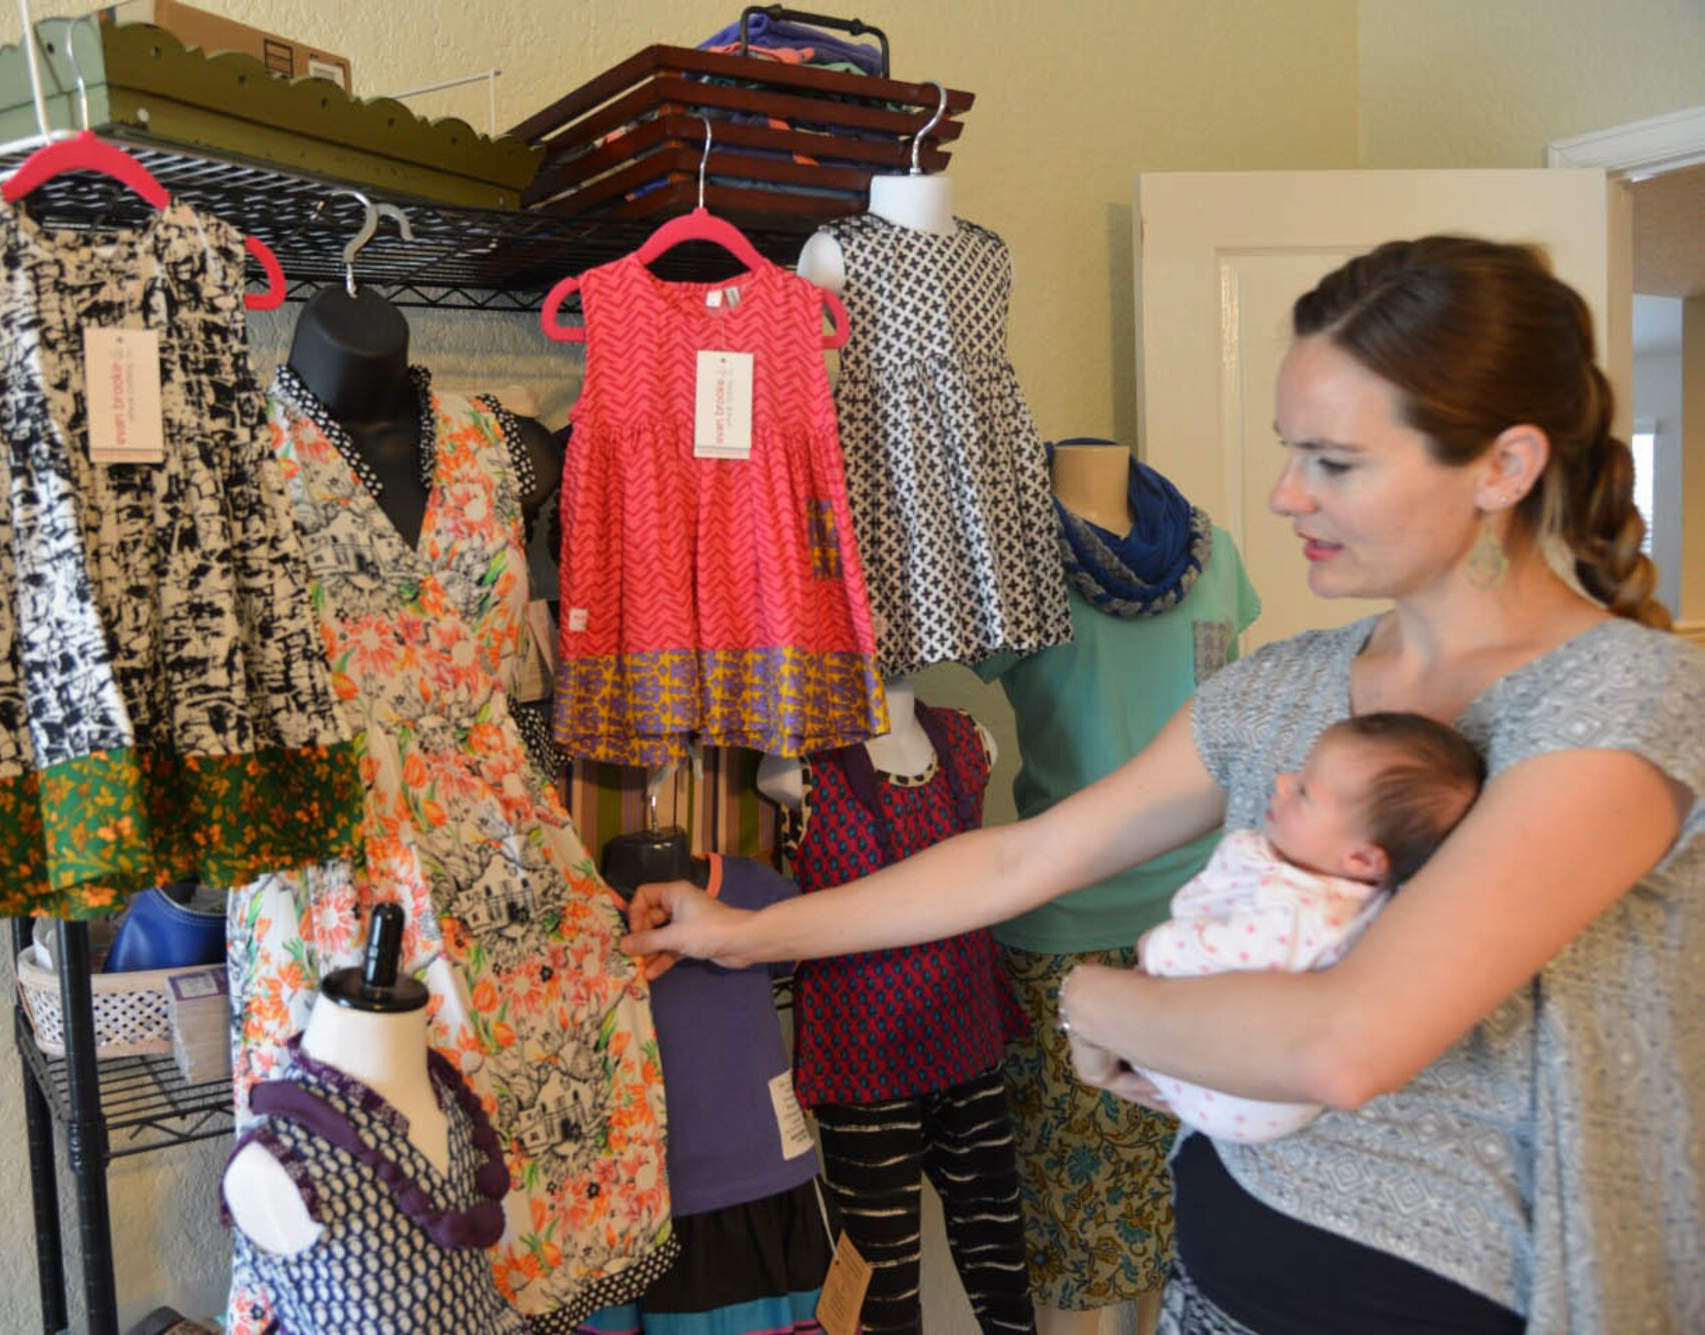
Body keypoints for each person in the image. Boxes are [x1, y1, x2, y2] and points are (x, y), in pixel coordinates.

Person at [622, 235, 1705, 1334]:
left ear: (1502, 467)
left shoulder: (1616, 699)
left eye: (1333, 462)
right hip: (1220, 1296)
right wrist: (738, 936)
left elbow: (1341, 1045)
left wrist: (1104, 1004)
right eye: (1288, 452)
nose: (1285, 495)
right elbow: (1019, 856)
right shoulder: (1280, 693)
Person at [1136, 711, 1484, 1143]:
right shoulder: (1319, 876)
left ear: (1361, 860)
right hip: (1244, 1079)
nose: (1282, 781)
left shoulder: (1309, 918)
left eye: (1304, 793)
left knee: (1140, 1029)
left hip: (1236, 1098)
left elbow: (1237, 948)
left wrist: (1157, 948)